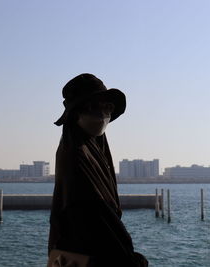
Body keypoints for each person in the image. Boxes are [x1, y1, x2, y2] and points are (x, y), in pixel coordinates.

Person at [48, 74, 148, 267]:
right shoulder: (75, 155)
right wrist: (127, 259)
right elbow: (93, 214)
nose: (103, 114)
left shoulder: (95, 149)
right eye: (94, 107)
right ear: (77, 113)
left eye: (107, 107)